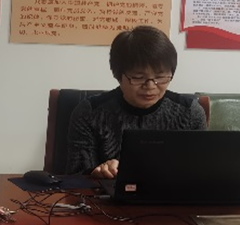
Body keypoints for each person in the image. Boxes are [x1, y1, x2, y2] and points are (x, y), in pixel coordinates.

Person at [66, 25, 207, 178]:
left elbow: (200, 172)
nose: (150, 86)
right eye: (138, 77)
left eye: (160, 77)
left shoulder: (189, 113)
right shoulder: (90, 113)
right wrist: (98, 172)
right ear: (118, 75)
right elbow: (75, 176)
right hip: (107, 192)